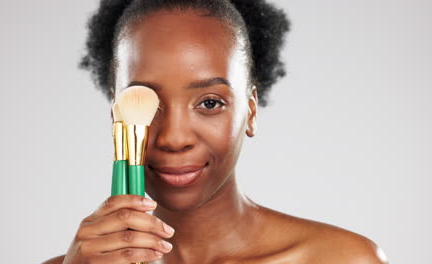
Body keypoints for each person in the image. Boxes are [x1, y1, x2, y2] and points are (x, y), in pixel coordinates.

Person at [44, 0, 388, 263]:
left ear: (250, 110)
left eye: (209, 103)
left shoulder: (342, 259)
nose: (174, 139)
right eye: (147, 100)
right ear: (116, 112)